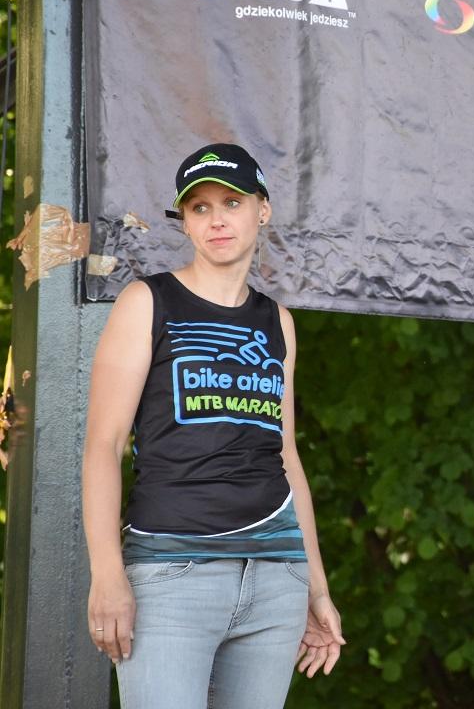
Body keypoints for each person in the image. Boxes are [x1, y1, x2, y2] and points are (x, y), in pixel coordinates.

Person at [82, 143, 345, 708]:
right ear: (185, 221)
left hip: (276, 579)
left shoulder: (277, 321)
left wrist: (316, 588)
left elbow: (286, 456)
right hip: (171, 574)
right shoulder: (147, 301)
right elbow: (103, 446)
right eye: (199, 208)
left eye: (231, 202)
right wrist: (107, 573)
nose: (216, 219)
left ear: (262, 210)